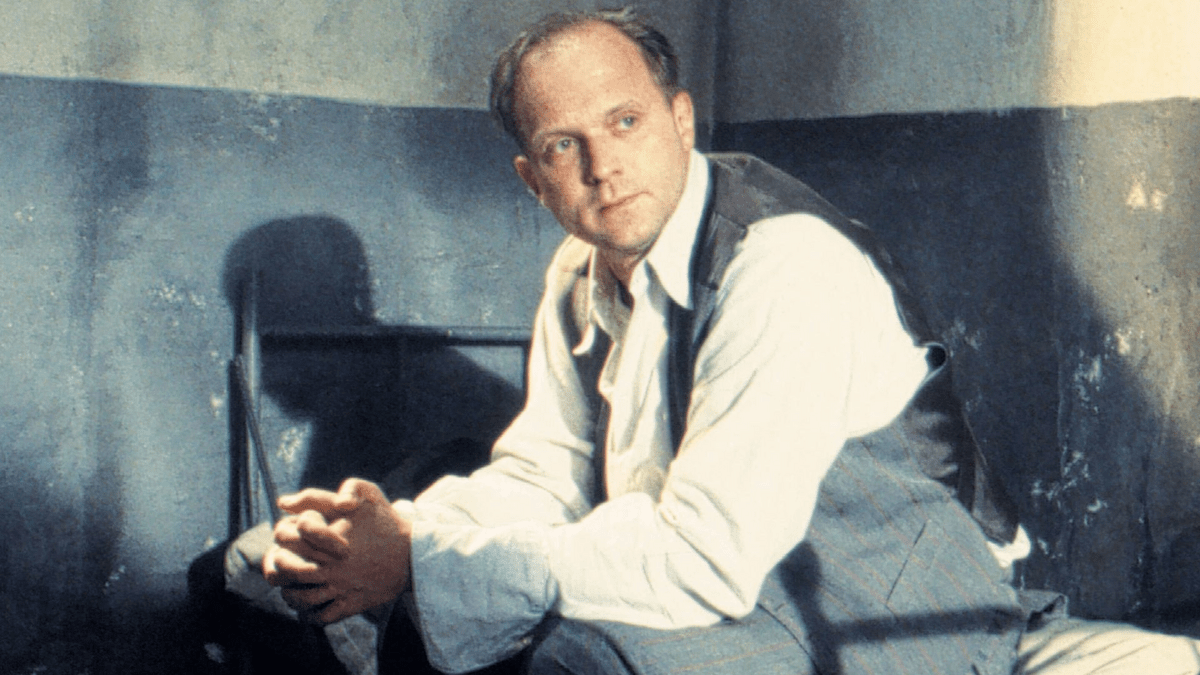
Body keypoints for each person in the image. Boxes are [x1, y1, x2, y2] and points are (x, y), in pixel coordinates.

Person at [229, 7, 1200, 675]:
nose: (604, 165)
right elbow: (546, 473)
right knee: (281, 571)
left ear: (680, 120)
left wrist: (421, 561)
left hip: (907, 594)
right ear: (533, 179)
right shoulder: (580, 270)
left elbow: (703, 556)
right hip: (746, 566)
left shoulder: (782, 264)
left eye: (625, 121)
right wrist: (402, 530)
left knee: (584, 654)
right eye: (565, 145)